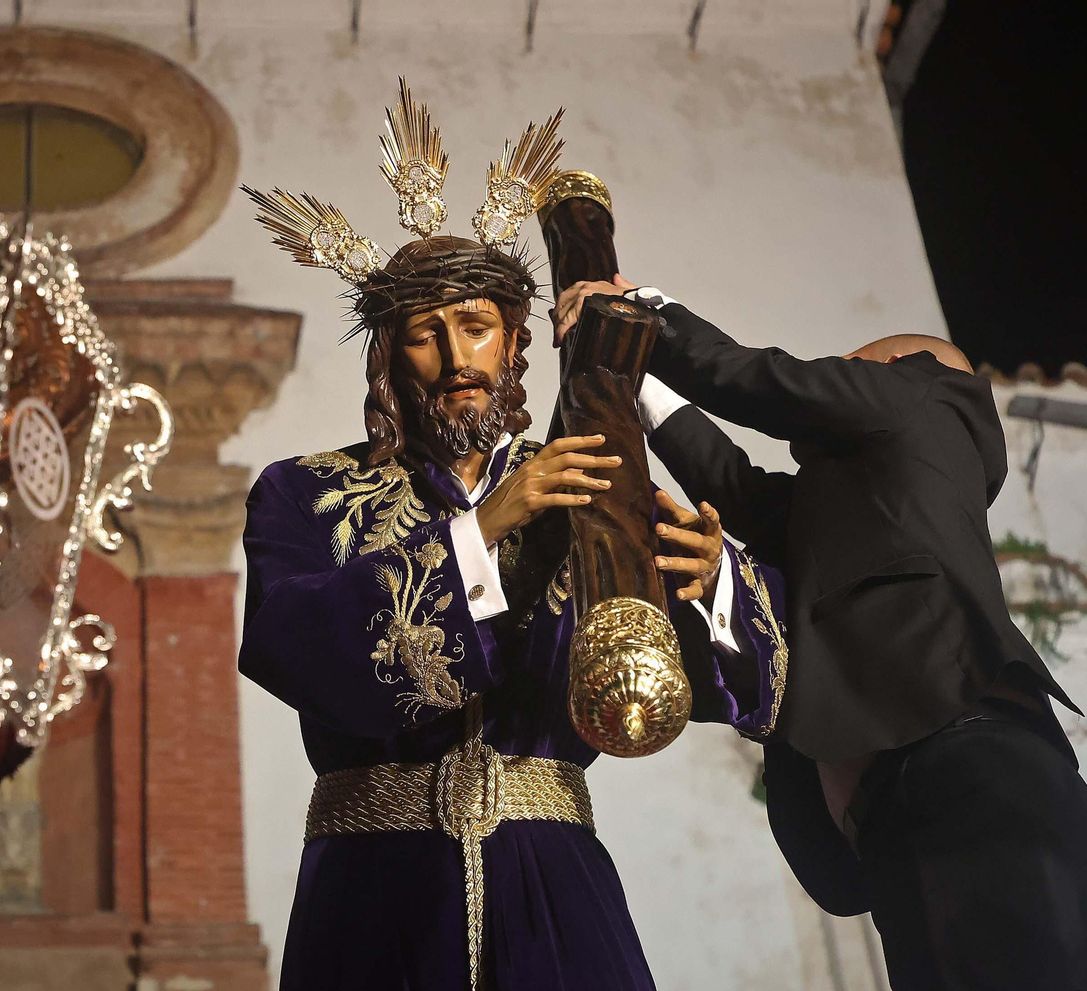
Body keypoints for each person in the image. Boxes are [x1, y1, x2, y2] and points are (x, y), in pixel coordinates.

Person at [237, 81, 790, 991]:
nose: (456, 358)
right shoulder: (308, 494)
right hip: (372, 895)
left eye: (476, 327)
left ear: (513, 344)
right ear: (389, 356)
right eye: (424, 333)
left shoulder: (595, 484)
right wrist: (485, 525)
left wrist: (715, 579)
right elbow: (294, 645)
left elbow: (751, 689)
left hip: (554, 884)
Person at [554, 276, 1087, 990]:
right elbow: (736, 486)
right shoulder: (853, 505)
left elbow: (768, 382)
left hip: (970, 772)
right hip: (896, 818)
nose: (831, 376)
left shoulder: (929, 393)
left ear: (889, 369)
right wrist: (633, 379)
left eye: (847, 367)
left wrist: (645, 311)